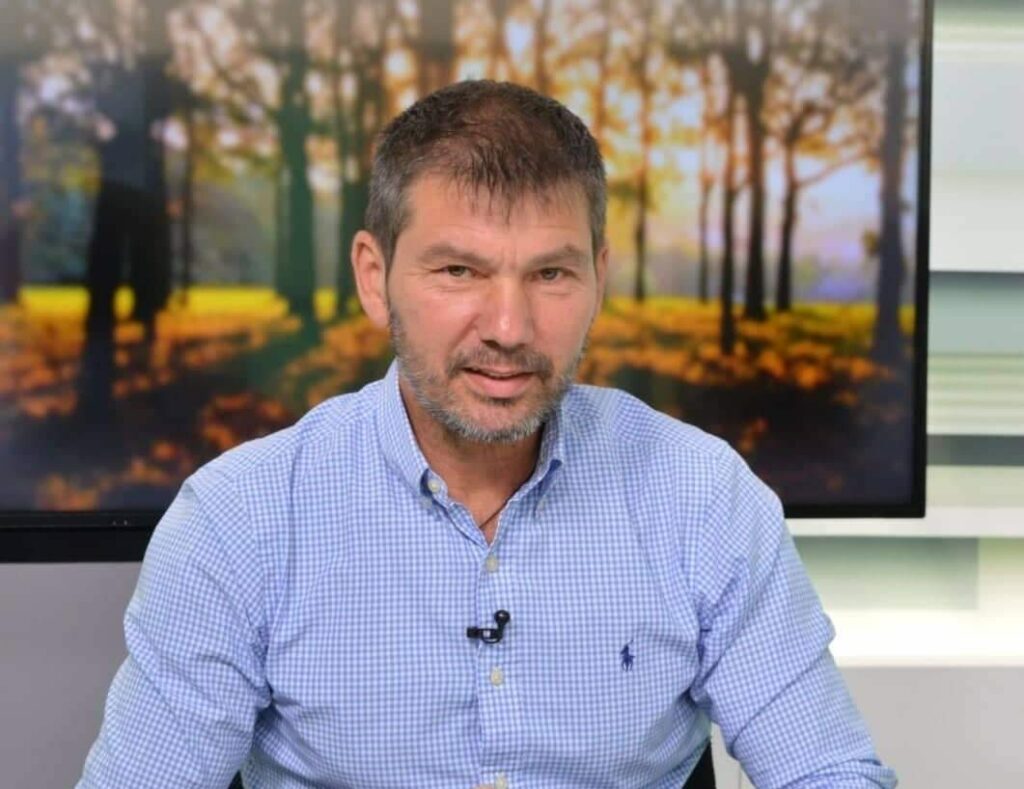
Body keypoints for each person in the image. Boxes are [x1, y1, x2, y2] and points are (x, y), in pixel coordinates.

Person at [77, 80, 898, 789]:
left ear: (599, 279)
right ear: (375, 278)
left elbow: (827, 769)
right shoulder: (238, 520)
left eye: (551, 273)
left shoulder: (703, 497)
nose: (508, 327)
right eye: (459, 271)